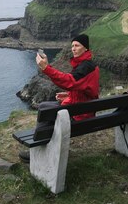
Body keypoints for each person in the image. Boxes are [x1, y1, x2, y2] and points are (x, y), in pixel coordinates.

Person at [18, 34, 99, 162]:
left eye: (77, 45)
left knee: (45, 111)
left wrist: (46, 68)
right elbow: (88, 89)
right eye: (72, 46)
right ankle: (42, 143)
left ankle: (38, 149)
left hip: (80, 115)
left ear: (86, 49)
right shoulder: (89, 65)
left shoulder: (86, 67)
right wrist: (68, 94)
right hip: (83, 109)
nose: (73, 48)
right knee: (45, 106)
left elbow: (69, 81)